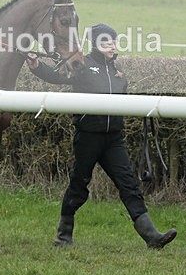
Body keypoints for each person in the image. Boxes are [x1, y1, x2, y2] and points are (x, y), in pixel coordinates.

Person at [26, 23, 177, 249]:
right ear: (95, 44)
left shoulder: (118, 71)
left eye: (114, 42)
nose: (112, 46)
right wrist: (37, 65)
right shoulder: (82, 64)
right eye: (106, 42)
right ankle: (63, 236)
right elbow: (56, 76)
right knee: (79, 185)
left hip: (114, 139)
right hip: (88, 137)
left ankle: (152, 237)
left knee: (129, 185)